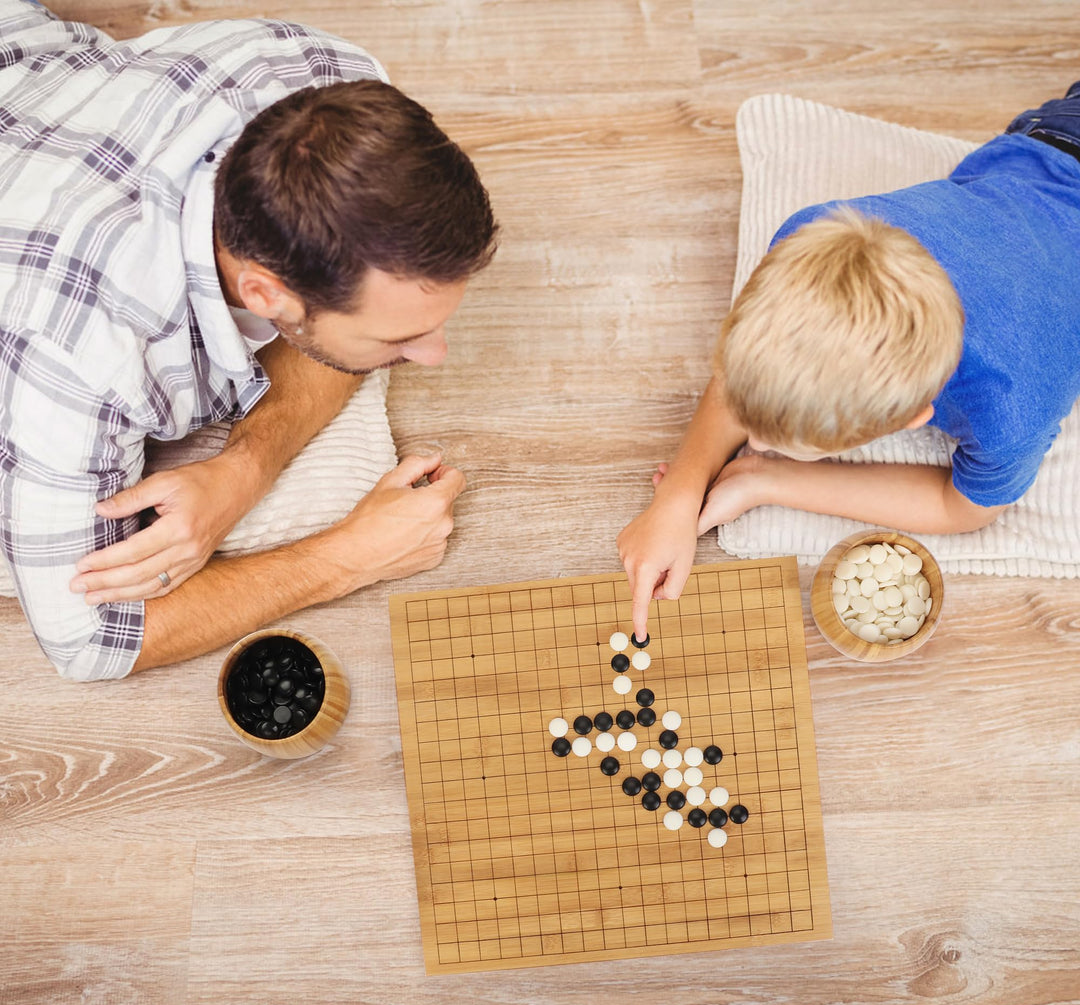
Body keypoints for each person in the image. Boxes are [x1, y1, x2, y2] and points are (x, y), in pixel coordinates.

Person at [0, 0, 498, 679]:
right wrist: (349, 556)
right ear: (266, 294)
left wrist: (243, 471)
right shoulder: (83, 363)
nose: (435, 355)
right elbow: (89, 641)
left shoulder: (329, 76)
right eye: (399, 339)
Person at [619, 80, 1080, 642]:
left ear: (915, 417)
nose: (754, 443)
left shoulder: (1014, 407)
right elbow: (743, 372)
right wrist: (678, 492)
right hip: (1058, 134)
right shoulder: (806, 238)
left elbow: (964, 509)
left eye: (779, 444)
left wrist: (773, 479)